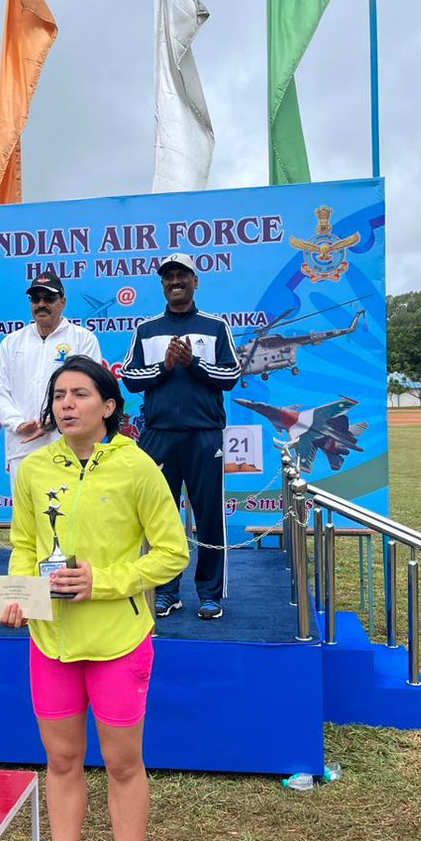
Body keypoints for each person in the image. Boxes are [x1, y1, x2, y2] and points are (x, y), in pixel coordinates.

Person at [0, 355, 188, 841]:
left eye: (79, 394)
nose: (66, 404)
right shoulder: (36, 468)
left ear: (108, 406)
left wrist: (102, 582)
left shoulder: (138, 465)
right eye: (59, 395)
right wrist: (20, 590)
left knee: (123, 764)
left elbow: (173, 553)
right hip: (51, 641)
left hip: (118, 641)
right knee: (61, 760)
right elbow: (24, 542)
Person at [121, 252, 240, 620]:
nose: (176, 282)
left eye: (182, 276)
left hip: (204, 435)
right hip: (159, 436)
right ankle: (166, 592)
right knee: (161, 517)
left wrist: (194, 363)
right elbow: (130, 378)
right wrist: (165, 366)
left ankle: (209, 593)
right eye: (169, 277)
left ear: (195, 282)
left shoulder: (216, 326)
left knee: (208, 516)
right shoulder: (147, 329)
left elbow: (232, 374)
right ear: (162, 284)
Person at [0, 272, 102, 486]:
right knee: (26, 515)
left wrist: (53, 419)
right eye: (35, 299)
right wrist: (18, 423)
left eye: (48, 299)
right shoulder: (12, 342)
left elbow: (90, 388)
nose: (41, 304)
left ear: (63, 302)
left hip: (68, 444)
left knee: (68, 512)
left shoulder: (82, 339)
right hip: (23, 445)